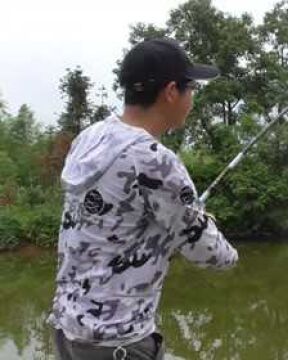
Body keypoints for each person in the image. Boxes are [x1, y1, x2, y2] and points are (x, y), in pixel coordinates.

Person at [49, 38, 238, 360]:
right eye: (190, 87)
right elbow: (213, 256)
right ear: (170, 92)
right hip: (117, 343)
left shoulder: (91, 138)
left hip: (68, 329)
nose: (192, 98)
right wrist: (202, 223)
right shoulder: (153, 159)